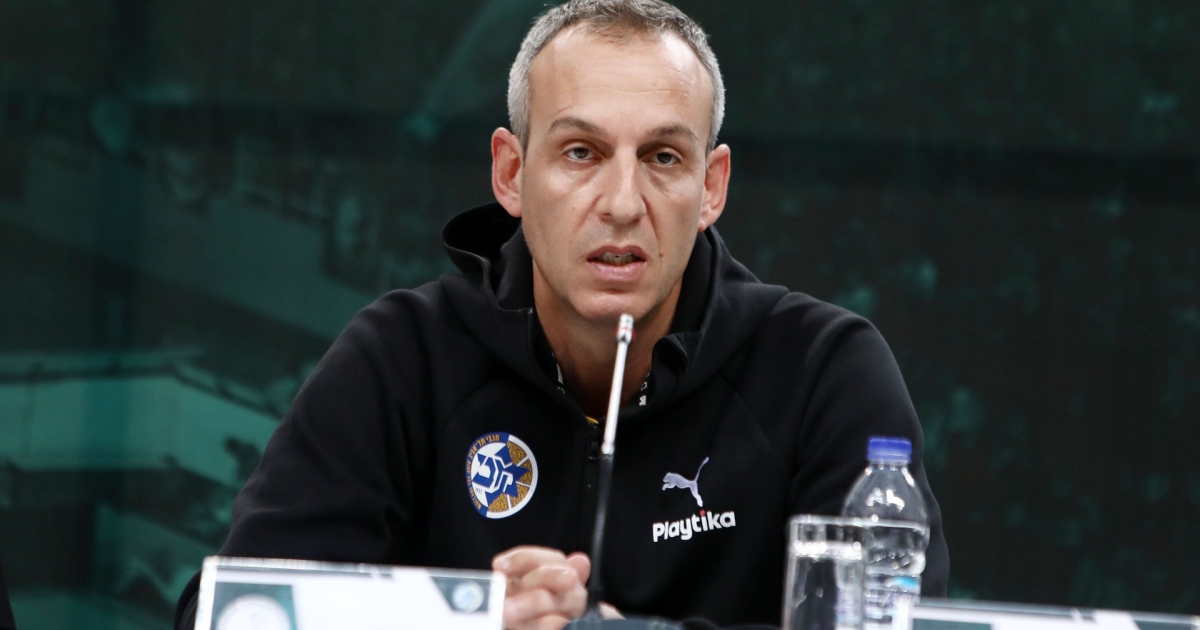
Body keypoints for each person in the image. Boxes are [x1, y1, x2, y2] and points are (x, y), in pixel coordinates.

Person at [174, 1, 948, 628]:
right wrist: (465, 620)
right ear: (512, 173)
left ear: (711, 188)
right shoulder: (401, 356)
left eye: (663, 158)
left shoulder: (823, 369)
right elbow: (234, 615)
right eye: (581, 153)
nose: (621, 203)